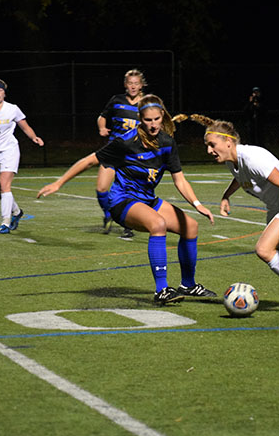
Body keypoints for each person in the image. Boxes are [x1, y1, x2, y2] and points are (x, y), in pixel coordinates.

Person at [38, 95, 217, 305]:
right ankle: (162, 290)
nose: (153, 125)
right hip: (122, 201)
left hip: (148, 200)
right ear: (140, 118)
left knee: (191, 227)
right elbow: (89, 161)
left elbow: (180, 180)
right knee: (157, 224)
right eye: (148, 120)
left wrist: (197, 204)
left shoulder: (167, 143)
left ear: (163, 117)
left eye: (157, 119)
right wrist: (59, 183)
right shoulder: (125, 141)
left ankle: (188, 284)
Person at [191, 114, 279, 311]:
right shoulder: (232, 160)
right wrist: (226, 196)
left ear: (228, 142)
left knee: (264, 250)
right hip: (277, 207)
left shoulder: (253, 157)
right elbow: (241, 177)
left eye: (212, 145)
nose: (209, 150)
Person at [0, 77, 44, 234]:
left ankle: (5, 222)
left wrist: (34, 137)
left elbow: (25, 127)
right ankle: (17, 212)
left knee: (5, 185)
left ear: (4, 93)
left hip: (9, 150)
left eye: (0, 91)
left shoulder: (13, 109)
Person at [96, 69, 147, 239]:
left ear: (141, 85)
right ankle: (109, 214)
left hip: (135, 154)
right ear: (126, 85)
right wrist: (102, 127)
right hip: (114, 150)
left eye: (136, 83)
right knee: (101, 189)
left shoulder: (147, 103)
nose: (133, 86)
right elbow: (102, 117)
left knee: (130, 191)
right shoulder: (116, 100)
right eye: (130, 83)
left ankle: (128, 224)